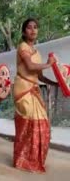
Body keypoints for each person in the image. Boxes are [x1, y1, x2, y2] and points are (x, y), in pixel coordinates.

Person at [13, 18, 58, 173]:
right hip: (23, 89)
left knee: (42, 123)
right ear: (24, 32)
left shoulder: (37, 52)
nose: (33, 30)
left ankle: (33, 159)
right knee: (28, 124)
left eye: (35, 27)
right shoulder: (22, 46)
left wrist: (56, 83)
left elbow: (39, 76)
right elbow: (30, 66)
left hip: (33, 88)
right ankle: (22, 159)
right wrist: (49, 64)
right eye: (29, 27)